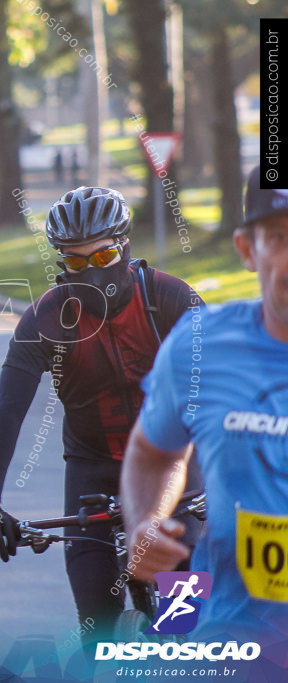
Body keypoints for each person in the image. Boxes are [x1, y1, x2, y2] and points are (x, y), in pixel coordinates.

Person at [0, 186, 203, 644]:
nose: (92, 271)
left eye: (103, 257)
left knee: (185, 629)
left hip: (174, 468)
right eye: (76, 262)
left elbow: (223, 389)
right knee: (96, 636)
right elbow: (8, 411)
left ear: (126, 246)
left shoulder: (171, 300)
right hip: (92, 473)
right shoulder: (46, 320)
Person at [122, 166, 288, 646]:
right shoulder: (199, 347)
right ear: (246, 250)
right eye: (279, 238)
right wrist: (146, 522)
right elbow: (153, 453)